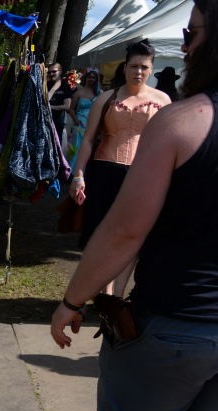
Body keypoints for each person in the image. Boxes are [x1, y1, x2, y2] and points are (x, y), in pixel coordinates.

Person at [50, 0, 218, 411]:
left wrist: (72, 301)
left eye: (193, 32)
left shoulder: (181, 123)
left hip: (173, 317)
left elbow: (124, 232)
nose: (187, 43)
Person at [69, 40, 171, 297]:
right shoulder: (106, 99)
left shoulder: (163, 100)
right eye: (134, 66)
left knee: (135, 235)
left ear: (151, 69)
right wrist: (78, 175)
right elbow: (89, 139)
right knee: (105, 234)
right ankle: (105, 293)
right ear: (124, 68)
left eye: (144, 67)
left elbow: (169, 143)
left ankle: (117, 296)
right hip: (105, 172)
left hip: (142, 175)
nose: (139, 72)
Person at [66, 67, 103, 169]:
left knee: (85, 148)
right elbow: (71, 109)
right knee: (74, 147)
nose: (91, 79)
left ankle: (80, 170)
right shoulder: (79, 92)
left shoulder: (99, 93)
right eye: (89, 77)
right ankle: (69, 169)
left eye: (94, 77)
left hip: (92, 124)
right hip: (79, 123)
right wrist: (76, 120)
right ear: (85, 78)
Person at [47, 62, 74, 144]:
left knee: (55, 144)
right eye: (49, 72)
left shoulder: (65, 86)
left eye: (54, 71)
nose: (51, 74)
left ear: (60, 71)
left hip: (57, 123)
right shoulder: (46, 85)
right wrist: (54, 89)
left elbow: (67, 106)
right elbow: (44, 101)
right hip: (45, 121)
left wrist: (51, 107)